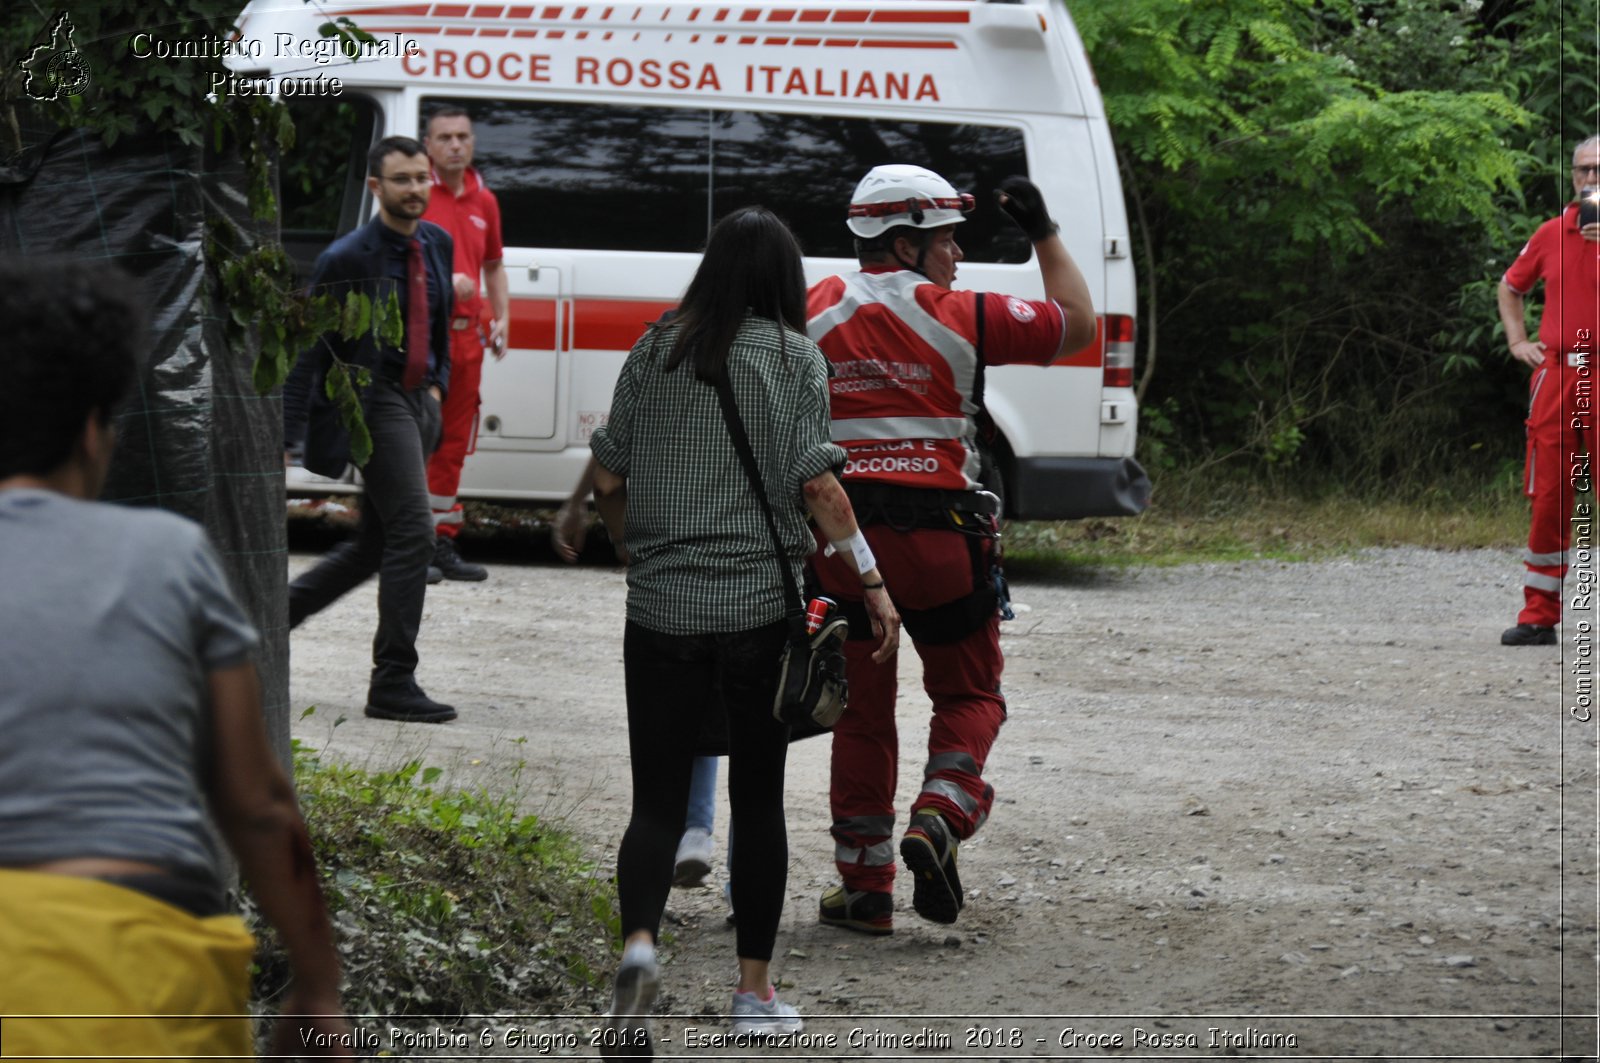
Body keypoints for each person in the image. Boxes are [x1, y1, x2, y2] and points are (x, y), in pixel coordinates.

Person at [0, 257, 352, 1059]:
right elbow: (258, 802)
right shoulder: (164, 555)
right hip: (143, 973)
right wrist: (317, 985)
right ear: (94, 432)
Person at [587, 206, 899, 1053]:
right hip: (758, 612)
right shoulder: (797, 358)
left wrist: (630, 548)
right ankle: (753, 994)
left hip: (658, 611)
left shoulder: (656, 347)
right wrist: (870, 582)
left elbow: (608, 478)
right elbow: (822, 492)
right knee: (755, 801)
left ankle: (640, 949)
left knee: (655, 804)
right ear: (783, 281)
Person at [806, 165, 1096, 933]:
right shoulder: (964, 312)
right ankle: (940, 812)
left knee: (861, 716)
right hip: (946, 542)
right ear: (904, 243)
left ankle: (864, 888)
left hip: (844, 545)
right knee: (969, 695)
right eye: (946, 239)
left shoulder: (809, 312)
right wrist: (1042, 229)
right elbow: (1077, 322)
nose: (958, 254)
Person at [284, 136, 457, 723]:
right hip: (372, 399)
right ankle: (393, 682)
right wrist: (288, 430)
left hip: (418, 401)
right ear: (376, 187)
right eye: (402, 180)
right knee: (415, 533)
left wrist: (438, 385)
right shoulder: (348, 256)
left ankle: (273, 617)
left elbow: (440, 326)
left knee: (374, 546)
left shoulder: (436, 242)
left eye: (421, 178)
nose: (415, 189)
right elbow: (315, 348)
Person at [1498, 135, 1600, 646]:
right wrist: (1518, 340)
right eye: (1583, 170)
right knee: (1550, 498)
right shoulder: (1551, 232)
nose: (1590, 180)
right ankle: (1538, 615)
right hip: (1558, 375)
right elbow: (1511, 287)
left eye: (1599, 170)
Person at [421, 105, 509, 582]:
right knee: (419, 440)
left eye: (463, 137)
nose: (456, 144)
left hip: (467, 343)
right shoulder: (415, 191)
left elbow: (493, 265)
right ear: (428, 145)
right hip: (424, 340)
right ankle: (411, 545)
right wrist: (442, 278)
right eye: (445, 137)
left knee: (454, 445)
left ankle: (441, 544)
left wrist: (503, 318)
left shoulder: (484, 201)